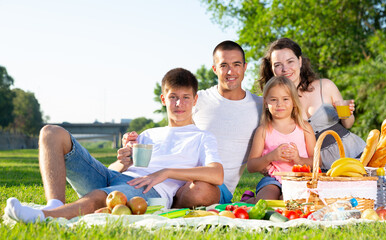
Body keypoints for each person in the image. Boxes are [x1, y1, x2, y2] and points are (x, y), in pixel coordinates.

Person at [5, 68, 223, 223]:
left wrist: (165, 173)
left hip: (148, 190)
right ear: (163, 99)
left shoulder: (202, 137)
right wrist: (123, 162)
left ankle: (44, 218)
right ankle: (54, 205)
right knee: (50, 132)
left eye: (186, 97)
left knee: (104, 196)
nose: (179, 104)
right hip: (115, 177)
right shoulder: (148, 134)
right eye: (173, 97)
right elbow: (115, 171)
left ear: (195, 100)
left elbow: (217, 174)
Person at [122, 40, 262, 207]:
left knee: (199, 191)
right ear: (215, 69)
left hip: (212, 183)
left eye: (236, 64)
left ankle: (164, 203)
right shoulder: (198, 99)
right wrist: (133, 142)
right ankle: (159, 200)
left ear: (245, 67)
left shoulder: (260, 106)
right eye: (224, 65)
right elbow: (172, 130)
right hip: (174, 176)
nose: (230, 71)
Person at [258, 38, 366, 170]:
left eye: (290, 61)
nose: (285, 69)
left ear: (300, 61)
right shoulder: (275, 103)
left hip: (353, 153)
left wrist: (346, 113)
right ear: (272, 68)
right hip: (317, 166)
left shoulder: (325, 86)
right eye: (278, 65)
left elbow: (348, 124)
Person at [245, 76, 316, 203]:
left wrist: (298, 159)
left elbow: (317, 162)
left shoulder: (305, 128)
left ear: (294, 102)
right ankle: (249, 200)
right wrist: (270, 157)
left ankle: (278, 199)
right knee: (266, 203)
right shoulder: (263, 131)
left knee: (291, 203)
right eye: (273, 99)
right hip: (272, 179)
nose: (279, 104)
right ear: (266, 103)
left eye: (285, 99)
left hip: (299, 179)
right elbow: (251, 166)